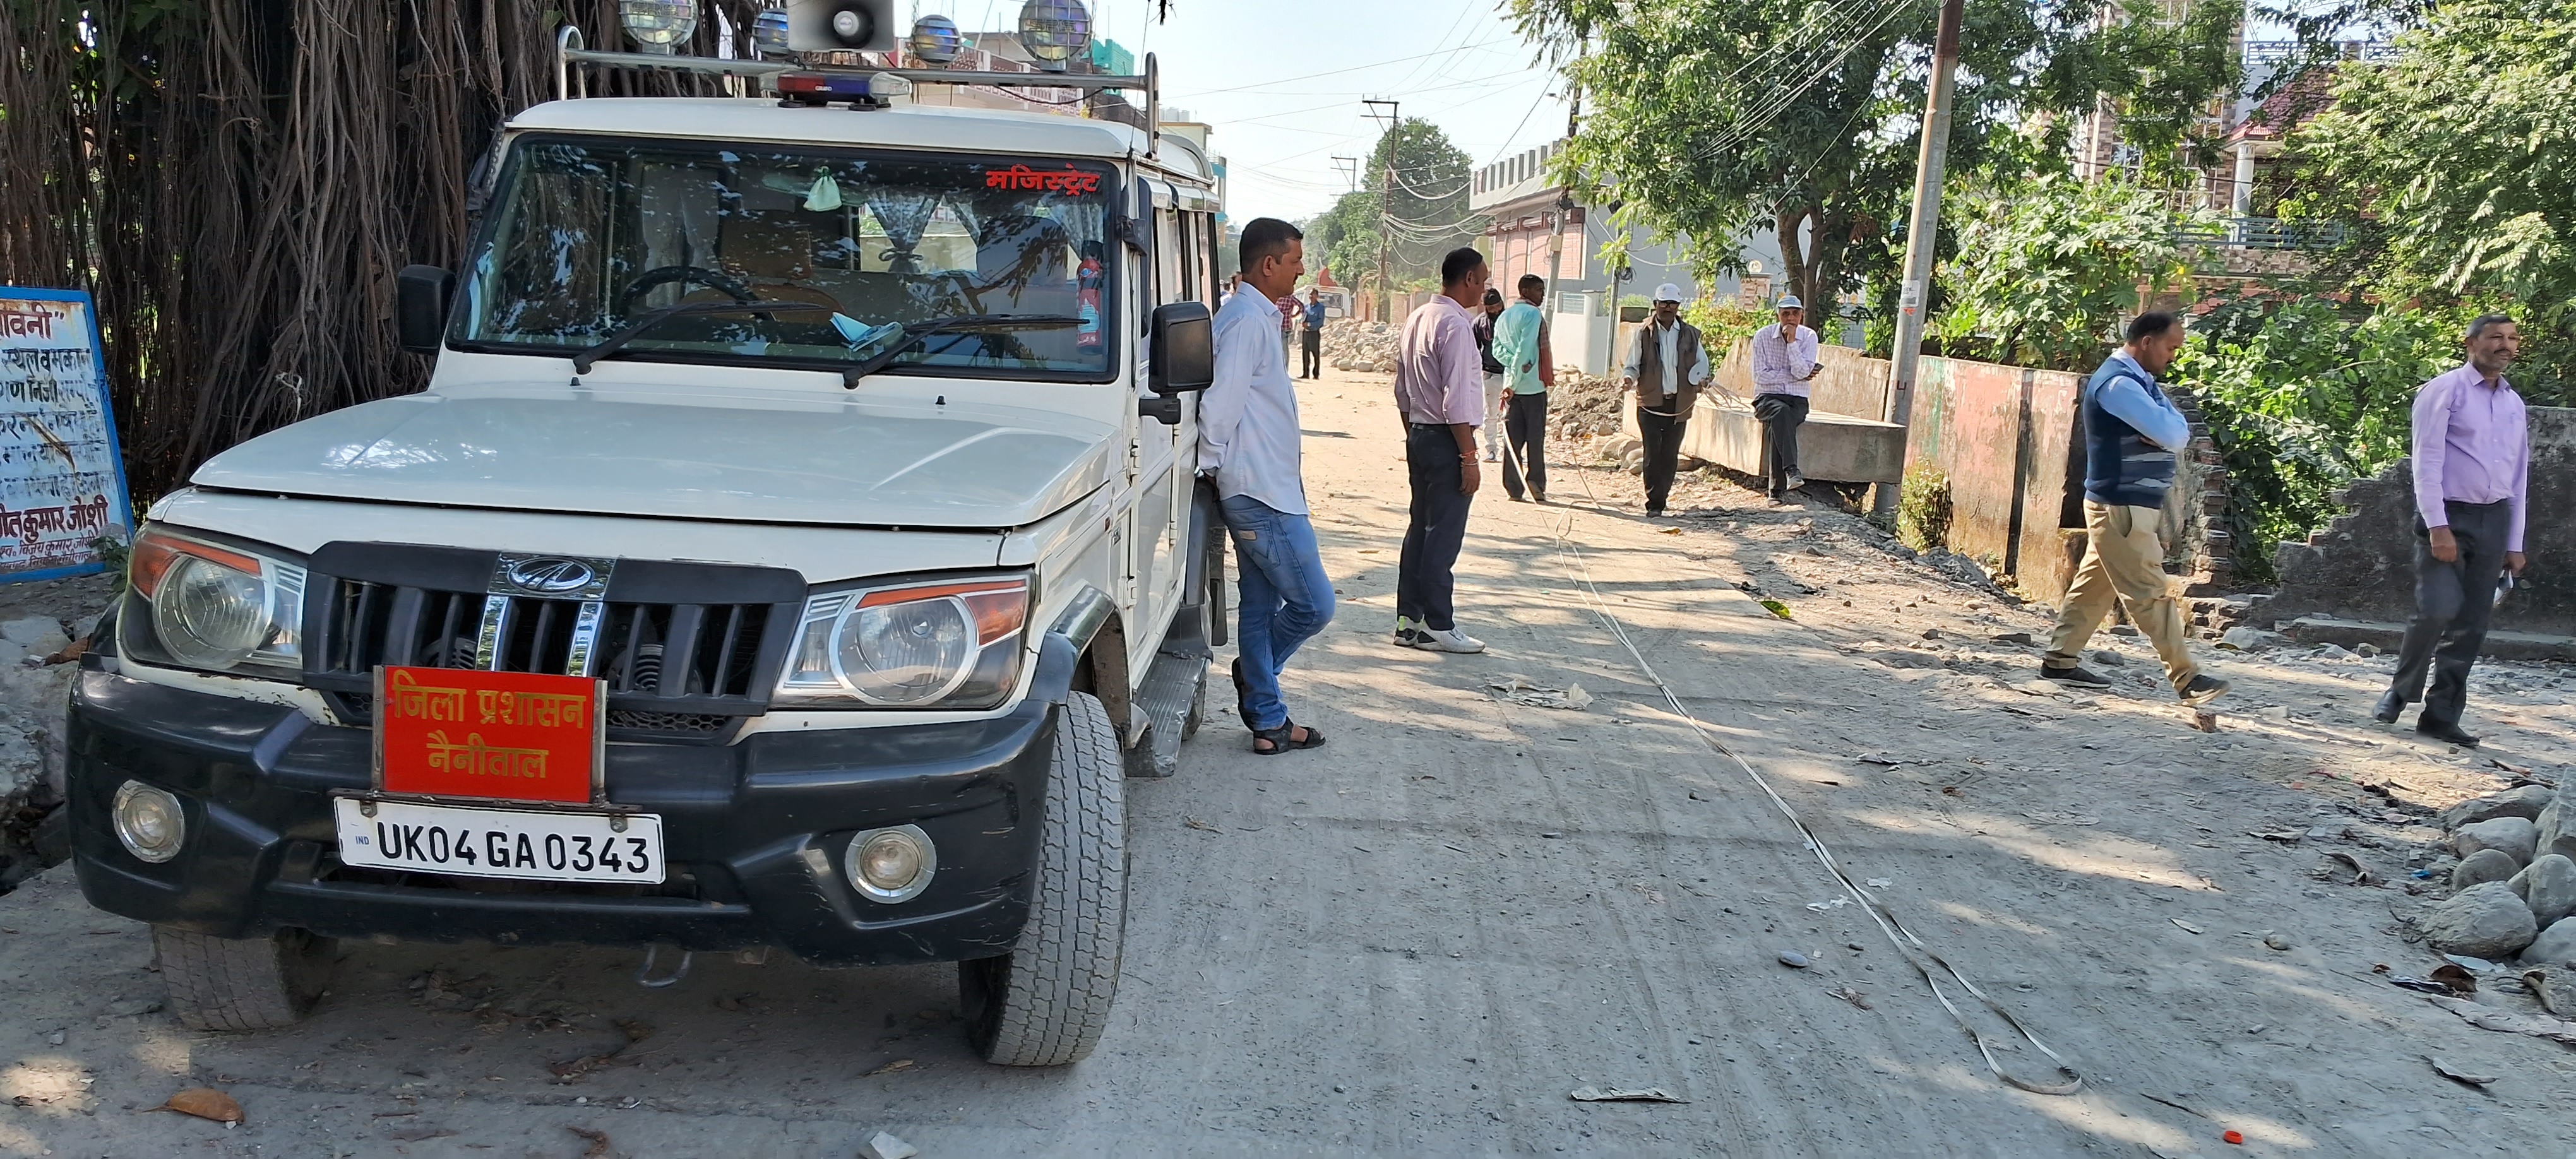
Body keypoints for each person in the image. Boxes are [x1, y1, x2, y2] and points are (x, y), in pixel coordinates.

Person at [2039, 312, 2229, 706]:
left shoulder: (2141, 382)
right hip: (2121, 505)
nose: (2173, 356)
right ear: (2146, 341)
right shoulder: (2120, 385)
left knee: (2095, 585)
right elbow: (2174, 436)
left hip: (2126, 504)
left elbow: (2177, 429)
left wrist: (2168, 432)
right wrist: (2166, 433)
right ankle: (2187, 678)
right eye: (2170, 347)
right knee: (2149, 591)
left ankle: (2060, 660)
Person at [1200, 218, 1332, 755]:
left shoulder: (1252, 317)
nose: (1302, 270)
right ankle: (1258, 681)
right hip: (1261, 494)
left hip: (1266, 487)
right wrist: (1212, 466)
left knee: (1258, 609)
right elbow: (1220, 409)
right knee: (1315, 606)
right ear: (1268, 264)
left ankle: (1268, 721)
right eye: (1296, 260)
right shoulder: (1247, 323)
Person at [2373, 314, 2530, 747]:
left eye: (2512, 338)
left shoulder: (2514, 403)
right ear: (2471, 343)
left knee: (2473, 622)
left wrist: (2515, 542)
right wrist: (2438, 526)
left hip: (2495, 518)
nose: (2505, 345)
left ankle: (2442, 715)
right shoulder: (2445, 391)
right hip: (2448, 516)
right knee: (2438, 608)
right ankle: (2400, 692)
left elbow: (2518, 477)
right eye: (2496, 337)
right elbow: (2426, 463)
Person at [1392, 247, 1492, 655]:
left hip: (1419, 432)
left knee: (1420, 529)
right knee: (1442, 536)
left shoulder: (1418, 317)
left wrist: (1415, 436)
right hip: (1447, 436)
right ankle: (1437, 623)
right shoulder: (1454, 323)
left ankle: (1408, 621)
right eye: (1482, 280)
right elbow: (1455, 401)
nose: (1484, 289)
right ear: (1468, 278)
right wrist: (1468, 457)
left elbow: (1401, 390)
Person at [1619, 283, 1710, 516]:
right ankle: (1654, 502)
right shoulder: (1643, 333)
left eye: (1673, 304)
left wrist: (1703, 380)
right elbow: (1632, 364)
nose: (1668, 308)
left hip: (1679, 404)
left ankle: (1662, 498)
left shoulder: (1691, 334)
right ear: (1655, 305)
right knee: (1652, 452)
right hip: (1650, 403)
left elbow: (1702, 365)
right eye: (1664, 303)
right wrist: (1628, 379)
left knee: (1670, 454)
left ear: (1678, 307)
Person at [1749, 295, 1824, 497]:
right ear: (1778, 316)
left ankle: (1776, 491)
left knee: (1780, 422)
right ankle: (1791, 471)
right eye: (1786, 314)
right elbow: (1759, 376)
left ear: (1801, 315)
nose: (1790, 318)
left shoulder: (1808, 337)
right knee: (1780, 412)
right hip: (1766, 398)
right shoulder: (1762, 336)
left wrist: (1791, 343)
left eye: (1795, 313)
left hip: (1797, 400)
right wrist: (1795, 376)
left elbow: (1801, 372)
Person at [1493, 274, 1552, 502]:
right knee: (1535, 441)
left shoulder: (1505, 315)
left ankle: (1513, 487)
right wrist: (1514, 382)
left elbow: (1498, 350)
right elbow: (1524, 351)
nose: (1542, 295)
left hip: (1511, 389)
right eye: (1538, 290)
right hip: (1531, 388)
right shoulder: (1533, 314)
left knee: (1513, 440)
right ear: (1525, 292)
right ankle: (1535, 482)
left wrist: (1510, 375)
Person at [1471, 288, 1508, 461]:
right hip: (1491, 374)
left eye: (1497, 306)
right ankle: (1492, 449)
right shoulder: (1480, 323)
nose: (1495, 310)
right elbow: (1474, 350)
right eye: (1491, 308)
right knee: (1491, 412)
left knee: (1510, 415)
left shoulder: (1510, 320)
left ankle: (1510, 451)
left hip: (1511, 374)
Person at [1301, 288, 1329, 379]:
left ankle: (1316, 374)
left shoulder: (1320, 308)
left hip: (1314, 333)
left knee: (1315, 354)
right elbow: (1302, 318)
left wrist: (1309, 325)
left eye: (1312, 294)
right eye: (1310, 294)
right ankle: (1305, 373)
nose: (1311, 296)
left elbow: (1320, 322)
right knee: (1305, 353)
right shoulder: (1306, 307)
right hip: (1306, 333)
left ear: (1317, 296)